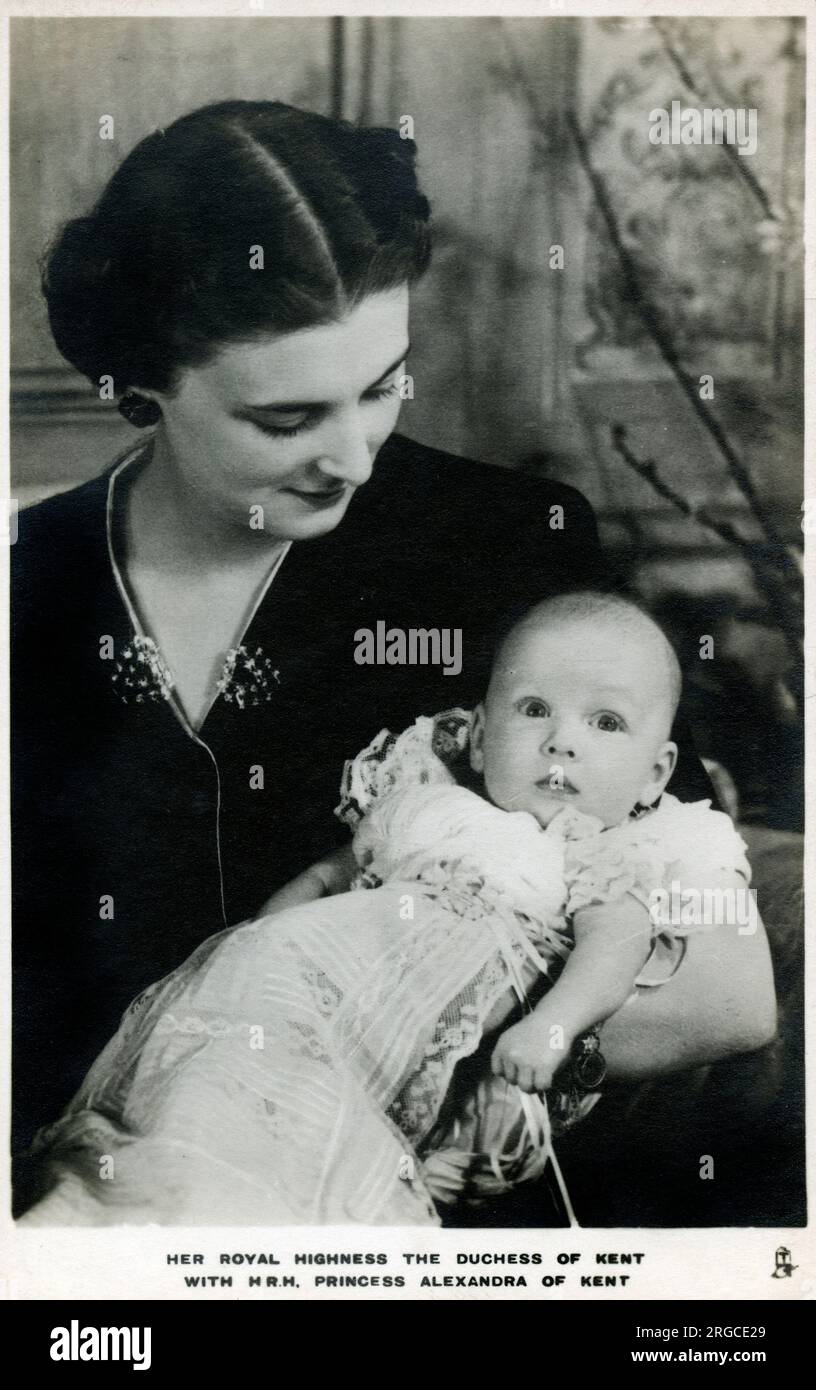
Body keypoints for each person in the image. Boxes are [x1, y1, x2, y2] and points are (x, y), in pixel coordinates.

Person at [9, 98, 745, 1214]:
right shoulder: (34, 586)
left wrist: (490, 1060)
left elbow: (730, 987)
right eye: (286, 419)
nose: (350, 458)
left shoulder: (501, 546)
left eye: (381, 386)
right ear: (142, 386)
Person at [20, 593, 776, 1226]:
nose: (561, 744)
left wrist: (553, 1025)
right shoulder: (423, 799)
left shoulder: (596, 851)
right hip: (293, 969)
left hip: (394, 1027)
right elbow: (328, 874)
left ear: (657, 771)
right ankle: (149, 1195)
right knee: (212, 1071)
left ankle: (199, 1208)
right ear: (478, 740)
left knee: (298, 1130)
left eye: (605, 723)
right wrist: (259, 936)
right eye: (534, 709)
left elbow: (614, 943)